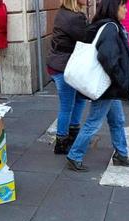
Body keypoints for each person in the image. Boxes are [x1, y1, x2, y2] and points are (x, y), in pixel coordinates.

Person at [66, 0, 129, 171]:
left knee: (118, 120)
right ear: (114, 8)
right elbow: (107, 57)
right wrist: (119, 77)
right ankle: (75, 155)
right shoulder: (111, 28)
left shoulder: (105, 25)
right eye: (123, 5)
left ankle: (121, 154)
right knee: (94, 122)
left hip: (110, 86)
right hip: (106, 86)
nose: (126, 9)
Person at [46, 0, 87, 154]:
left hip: (59, 64)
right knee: (67, 105)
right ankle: (62, 142)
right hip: (65, 67)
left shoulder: (62, 12)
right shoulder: (75, 17)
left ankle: (71, 135)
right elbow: (86, 38)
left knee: (79, 99)